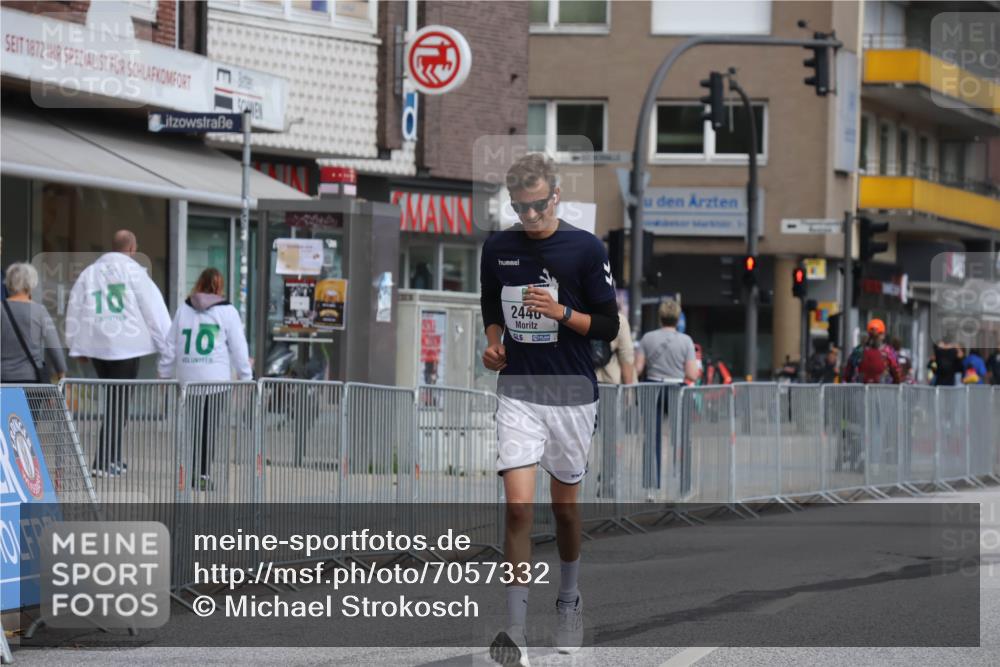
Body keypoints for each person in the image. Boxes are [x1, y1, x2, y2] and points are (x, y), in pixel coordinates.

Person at [480, 153, 618, 664]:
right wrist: (493, 343)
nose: (530, 217)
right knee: (517, 507)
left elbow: (609, 326)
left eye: (538, 206)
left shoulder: (585, 249)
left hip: (571, 393)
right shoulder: (498, 246)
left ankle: (568, 600)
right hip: (519, 389)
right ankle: (514, 630)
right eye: (520, 207)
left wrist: (562, 313)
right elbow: (491, 304)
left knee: (564, 511)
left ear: (555, 196)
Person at [65, 230, 172, 476]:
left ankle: (113, 458)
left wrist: (76, 344)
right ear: (133, 248)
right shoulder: (135, 273)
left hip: (98, 347)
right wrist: (167, 349)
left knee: (114, 403)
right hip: (126, 347)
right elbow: (153, 311)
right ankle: (102, 462)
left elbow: (75, 307)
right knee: (118, 405)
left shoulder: (89, 273)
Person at [158, 268, 252, 491]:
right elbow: (239, 348)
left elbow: (170, 345)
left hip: (188, 378)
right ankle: (202, 474)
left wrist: (163, 373)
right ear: (219, 287)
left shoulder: (183, 309)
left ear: (199, 284)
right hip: (216, 380)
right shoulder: (228, 312)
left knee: (193, 428)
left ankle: (191, 471)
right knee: (209, 429)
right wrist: (246, 376)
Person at [1, 263, 67, 384]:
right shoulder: (39, 311)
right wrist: (61, 375)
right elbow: (54, 347)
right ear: (31, 283)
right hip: (31, 380)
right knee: (22, 404)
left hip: (3, 378)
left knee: (9, 404)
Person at [635, 300, 699, 385]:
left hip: (651, 389)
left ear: (660, 317)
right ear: (678, 319)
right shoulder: (686, 340)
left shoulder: (647, 337)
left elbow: (637, 369)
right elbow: (692, 375)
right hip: (677, 388)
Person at [843, 318, 902, 384]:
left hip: (861, 391)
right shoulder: (888, 351)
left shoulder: (859, 350)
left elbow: (848, 373)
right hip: (883, 391)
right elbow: (897, 372)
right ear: (882, 335)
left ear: (868, 334)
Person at [595, 310, 635, 385]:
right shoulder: (619, 320)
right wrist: (628, 391)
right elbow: (626, 357)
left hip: (581, 383)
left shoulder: (577, 318)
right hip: (609, 384)